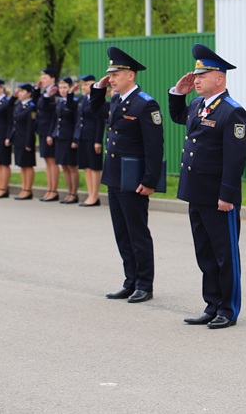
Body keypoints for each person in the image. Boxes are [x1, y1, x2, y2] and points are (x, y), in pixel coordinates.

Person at [170, 43, 246, 329]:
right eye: (196, 75)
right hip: (197, 192)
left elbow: (235, 158)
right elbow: (178, 117)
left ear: (219, 78)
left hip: (218, 197)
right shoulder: (197, 105)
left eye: (202, 75)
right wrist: (177, 93)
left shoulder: (232, 112)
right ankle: (212, 304)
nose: (196, 80)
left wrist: (227, 194)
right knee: (205, 253)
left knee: (225, 254)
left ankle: (228, 309)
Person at [90, 47, 164, 303]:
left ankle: (144, 284)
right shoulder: (116, 101)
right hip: (114, 176)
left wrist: (150, 180)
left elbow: (154, 147)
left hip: (134, 178)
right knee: (121, 232)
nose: (111, 79)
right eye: (110, 74)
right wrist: (98, 88)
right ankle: (129, 280)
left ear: (130, 75)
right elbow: (95, 110)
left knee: (137, 231)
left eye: (116, 74)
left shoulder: (145, 104)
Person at [73, 74, 106, 207]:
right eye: (83, 85)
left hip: (92, 138)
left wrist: (98, 141)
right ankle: (90, 194)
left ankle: (95, 195)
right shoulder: (82, 99)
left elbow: (100, 122)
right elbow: (77, 118)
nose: (84, 87)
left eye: (87, 84)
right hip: (82, 136)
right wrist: (76, 137)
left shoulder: (97, 100)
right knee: (86, 166)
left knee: (94, 167)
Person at [50, 77, 79, 204]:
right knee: (64, 166)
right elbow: (55, 119)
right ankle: (69, 192)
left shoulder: (74, 102)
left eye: (65, 88)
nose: (62, 90)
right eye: (61, 88)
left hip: (69, 138)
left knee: (72, 166)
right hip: (60, 137)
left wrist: (75, 139)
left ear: (70, 88)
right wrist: (52, 134)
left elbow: (76, 121)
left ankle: (74, 193)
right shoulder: (59, 102)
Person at [6, 83, 37, 200]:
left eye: (23, 91)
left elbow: (30, 126)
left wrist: (28, 142)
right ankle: (23, 188)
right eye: (19, 91)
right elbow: (8, 108)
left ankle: (28, 190)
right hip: (18, 138)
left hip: (26, 139)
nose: (20, 93)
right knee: (21, 165)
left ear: (29, 93)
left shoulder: (31, 106)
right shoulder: (19, 105)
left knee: (28, 165)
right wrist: (13, 97)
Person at [34, 68, 60, 202]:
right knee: (47, 161)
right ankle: (49, 189)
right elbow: (36, 105)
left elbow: (53, 113)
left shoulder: (55, 92)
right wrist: (37, 89)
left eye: (45, 78)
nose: (42, 80)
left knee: (52, 161)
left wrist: (51, 134)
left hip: (50, 131)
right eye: (42, 77)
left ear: (53, 79)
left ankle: (53, 190)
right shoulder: (45, 92)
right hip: (43, 130)